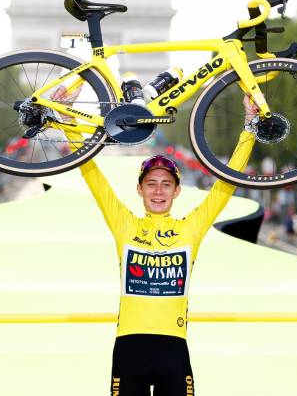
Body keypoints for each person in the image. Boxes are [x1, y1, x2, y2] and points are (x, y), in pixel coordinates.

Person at [55, 86, 256, 395]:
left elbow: (227, 183)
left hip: (173, 353)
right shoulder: (124, 223)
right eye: (151, 184)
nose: (159, 191)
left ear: (177, 191)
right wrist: (65, 116)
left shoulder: (191, 228)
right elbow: (90, 172)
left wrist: (250, 125)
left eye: (166, 184)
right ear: (140, 190)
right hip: (129, 350)